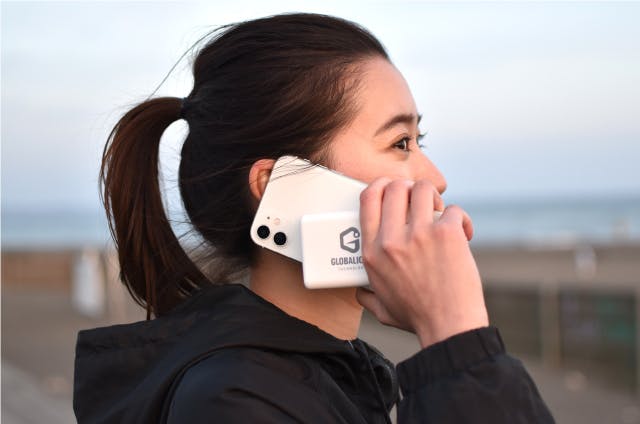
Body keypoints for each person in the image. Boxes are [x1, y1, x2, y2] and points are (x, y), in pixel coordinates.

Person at [73, 13, 555, 423]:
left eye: (418, 140)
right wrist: (456, 336)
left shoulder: (321, 376)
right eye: (400, 143)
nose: (436, 179)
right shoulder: (236, 403)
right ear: (279, 186)